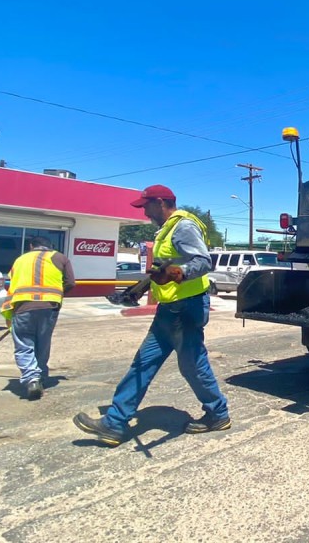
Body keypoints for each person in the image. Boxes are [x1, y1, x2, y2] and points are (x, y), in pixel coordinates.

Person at [73, 184, 230, 447]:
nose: (144, 211)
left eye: (145, 206)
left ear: (160, 202)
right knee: (143, 363)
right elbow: (162, 269)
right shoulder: (166, 230)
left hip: (187, 307)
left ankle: (218, 413)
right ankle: (115, 423)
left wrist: (177, 274)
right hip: (170, 309)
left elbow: (203, 262)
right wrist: (141, 289)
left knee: (192, 365)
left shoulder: (183, 226)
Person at [1, 236, 76, 400]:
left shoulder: (20, 260)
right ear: (50, 246)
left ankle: (31, 379)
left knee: (24, 344)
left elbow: (11, 283)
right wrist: (57, 292)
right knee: (43, 342)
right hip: (49, 307)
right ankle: (40, 377)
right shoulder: (59, 257)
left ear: (31, 246)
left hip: (22, 307)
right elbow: (71, 282)